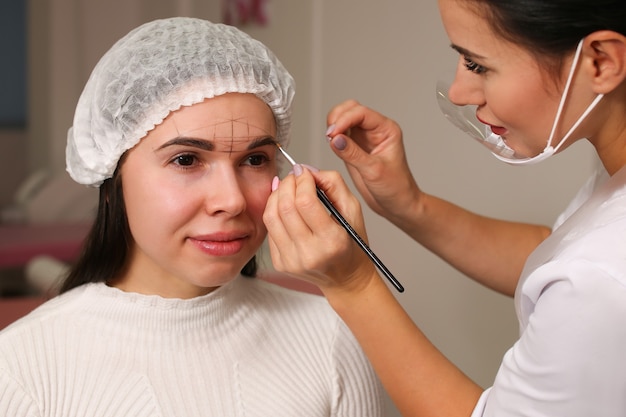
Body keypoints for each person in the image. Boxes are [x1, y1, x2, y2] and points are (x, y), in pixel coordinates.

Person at [0, 17, 384, 417]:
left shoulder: (331, 335)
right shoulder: (20, 370)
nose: (232, 200)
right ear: (112, 180)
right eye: (186, 160)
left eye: (255, 159)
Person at [263, 0, 626, 416]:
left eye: (478, 65)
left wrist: (352, 284)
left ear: (600, 62)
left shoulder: (601, 279)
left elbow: (590, 278)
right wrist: (409, 206)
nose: (458, 93)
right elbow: (557, 255)